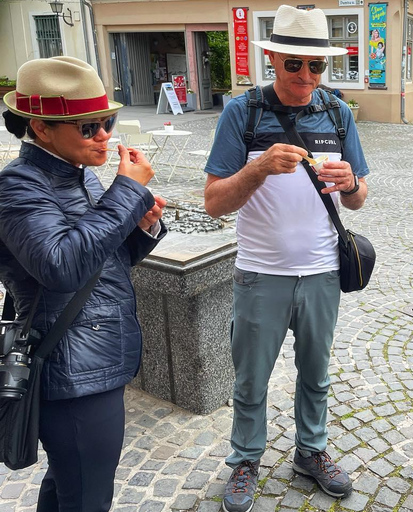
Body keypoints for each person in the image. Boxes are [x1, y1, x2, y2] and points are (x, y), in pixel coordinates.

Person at [203, 6, 370, 512]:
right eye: (293, 64)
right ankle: (246, 460)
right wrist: (259, 170)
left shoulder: (338, 113)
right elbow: (213, 201)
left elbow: (360, 196)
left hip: (322, 272)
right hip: (260, 273)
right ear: (273, 58)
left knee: (315, 372)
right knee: (250, 376)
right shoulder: (243, 111)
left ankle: (311, 452)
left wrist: (352, 185)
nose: (305, 76)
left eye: (315, 67)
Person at [0, 56, 166, 511]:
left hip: (93, 359)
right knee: (88, 497)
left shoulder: (78, 173)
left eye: (107, 121)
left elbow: (105, 262)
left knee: (69, 486)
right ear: (41, 128)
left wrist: (143, 226)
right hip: (69, 371)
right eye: (88, 126)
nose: (104, 135)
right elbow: (61, 268)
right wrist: (127, 193)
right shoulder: (17, 186)